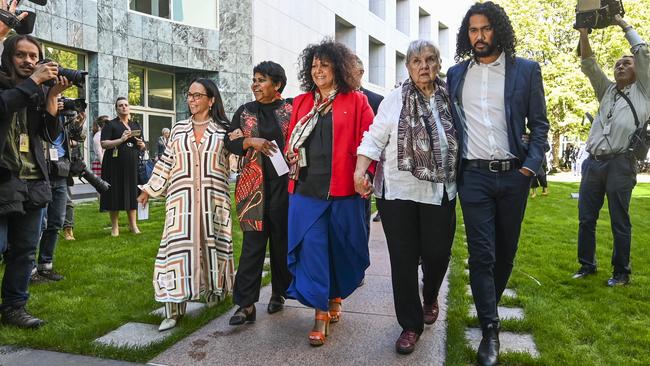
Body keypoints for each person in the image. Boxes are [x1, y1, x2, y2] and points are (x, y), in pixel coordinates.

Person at [446, 2, 550, 365]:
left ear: (498, 30)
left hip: (513, 175)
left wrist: (530, 168)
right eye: (473, 30)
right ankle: (491, 329)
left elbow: (539, 125)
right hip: (473, 176)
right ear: (466, 35)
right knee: (481, 254)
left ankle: (487, 304)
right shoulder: (456, 74)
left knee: (505, 252)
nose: (479, 36)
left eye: (485, 29)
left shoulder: (525, 71)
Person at [355, 40, 458, 355]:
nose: (423, 66)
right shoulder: (394, 99)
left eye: (429, 59)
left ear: (438, 64)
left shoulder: (452, 98)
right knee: (402, 260)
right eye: (416, 60)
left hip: (440, 190)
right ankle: (410, 325)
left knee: (437, 254)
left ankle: (430, 295)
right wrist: (361, 170)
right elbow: (375, 136)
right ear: (408, 67)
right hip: (397, 192)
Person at [284, 39, 374, 346]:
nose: (319, 70)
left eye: (324, 64)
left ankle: (335, 295)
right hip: (307, 189)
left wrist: (366, 175)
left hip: (343, 189)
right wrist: (290, 152)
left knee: (341, 248)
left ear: (338, 67)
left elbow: (370, 143)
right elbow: (291, 139)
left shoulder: (356, 101)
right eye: (314, 65)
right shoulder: (301, 102)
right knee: (312, 248)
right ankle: (320, 313)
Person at [137, 78, 235, 331]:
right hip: (182, 202)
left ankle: (215, 293)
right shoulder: (178, 129)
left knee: (214, 246)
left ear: (211, 99)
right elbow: (166, 163)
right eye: (189, 95)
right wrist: (149, 189)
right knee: (176, 252)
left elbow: (237, 163)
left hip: (215, 200)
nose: (191, 99)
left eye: (197, 95)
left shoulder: (224, 131)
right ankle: (172, 307)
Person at [0, 33, 72, 328]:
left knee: (25, 250)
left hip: (33, 179)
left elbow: (49, 134)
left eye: (33, 56)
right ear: (9, 57)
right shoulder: (10, 86)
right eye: (22, 55)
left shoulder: (37, 93)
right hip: (4, 179)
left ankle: (15, 307)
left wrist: (52, 97)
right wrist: (34, 83)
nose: (28, 61)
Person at [573, 15, 648, 286]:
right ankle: (586, 265)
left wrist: (622, 24)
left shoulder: (644, 91)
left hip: (621, 163)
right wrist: (584, 34)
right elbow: (589, 65)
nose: (620, 66)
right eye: (617, 64)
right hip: (593, 163)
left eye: (626, 63)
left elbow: (642, 52)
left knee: (619, 220)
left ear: (638, 70)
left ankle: (621, 272)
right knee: (586, 219)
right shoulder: (606, 91)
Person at [224, 61, 293, 325]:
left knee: (281, 243)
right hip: (252, 188)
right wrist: (251, 141)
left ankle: (279, 292)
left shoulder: (290, 110)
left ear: (277, 84)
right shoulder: (245, 112)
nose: (255, 85)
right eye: (254, 79)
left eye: (261, 80)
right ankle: (246, 304)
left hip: (284, 186)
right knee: (252, 246)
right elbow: (229, 141)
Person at [100, 97, 146, 236]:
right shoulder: (110, 125)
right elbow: (104, 144)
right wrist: (121, 140)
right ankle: (115, 227)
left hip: (131, 166)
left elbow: (142, 144)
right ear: (116, 109)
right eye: (120, 105)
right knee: (114, 194)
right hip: (113, 165)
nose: (124, 107)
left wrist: (142, 145)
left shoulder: (135, 124)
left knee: (132, 194)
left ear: (129, 107)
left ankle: (133, 225)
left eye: (126, 105)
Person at [352, 55, 384, 225]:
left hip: (367, 166)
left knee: (361, 219)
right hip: (343, 166)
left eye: (349, 68)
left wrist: (370, 172)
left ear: (361, 72)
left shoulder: (376, 100)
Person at [91, 115, 108, 180]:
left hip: (105, 163)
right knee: (101, 187)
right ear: (104, 124)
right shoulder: (98, 136)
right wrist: (105, 166)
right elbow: (99, 153)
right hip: (101, 164)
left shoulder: (106, 134)